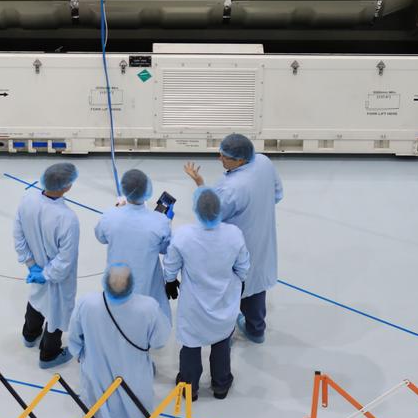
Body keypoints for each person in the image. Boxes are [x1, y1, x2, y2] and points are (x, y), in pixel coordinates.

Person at [67, 264, 172, 418]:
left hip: (97, 375)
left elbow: (74, 338)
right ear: (132, 285)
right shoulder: (148, 308)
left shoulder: (87, 304)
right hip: (134, 377)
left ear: (104, 282)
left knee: (96, 417)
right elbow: (160, 340)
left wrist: (82, 355)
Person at [184, 134, 283, 344]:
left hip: (236, 249)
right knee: (256, 289)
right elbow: (277, 194)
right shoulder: (264, 162)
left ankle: (223, 335)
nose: (220, 159)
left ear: (240, 160)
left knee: (231, 292)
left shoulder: (233, 187)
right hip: (261, 241)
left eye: (225, 157)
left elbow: (210, 214)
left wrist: (200, 186)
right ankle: (256, 331)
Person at [162, 188, 249, 400]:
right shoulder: (233, 235)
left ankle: (189, 387)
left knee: (191, 346)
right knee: (221, 343)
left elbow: (170, 265)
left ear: (196, 210)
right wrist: (239, 283)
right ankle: (221, 385)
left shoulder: (183, 236)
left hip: (194, 305)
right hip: (224, 301)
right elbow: (243, 267)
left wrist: (170, 282)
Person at [13, 161, 81, 369]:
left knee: (36, 299)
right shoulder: (68, 218)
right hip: (57, 276)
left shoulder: (28, 200)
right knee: (56, 311)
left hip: (36, 269)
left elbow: (19, 234)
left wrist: (32, 264)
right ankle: (49, 355)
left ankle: (29, 335)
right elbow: (65, 259)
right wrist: (49, 274)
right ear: (66, 186)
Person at [94, 169, 172, 320]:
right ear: (147, 190)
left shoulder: (110, 216)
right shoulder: (160, 221)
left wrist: (117, 209)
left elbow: (101, 237)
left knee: (117, 319)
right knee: (145, 317)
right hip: (147, 283)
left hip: (116, 282)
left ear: (125, 190)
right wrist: (165, 222)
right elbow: (165, 249)